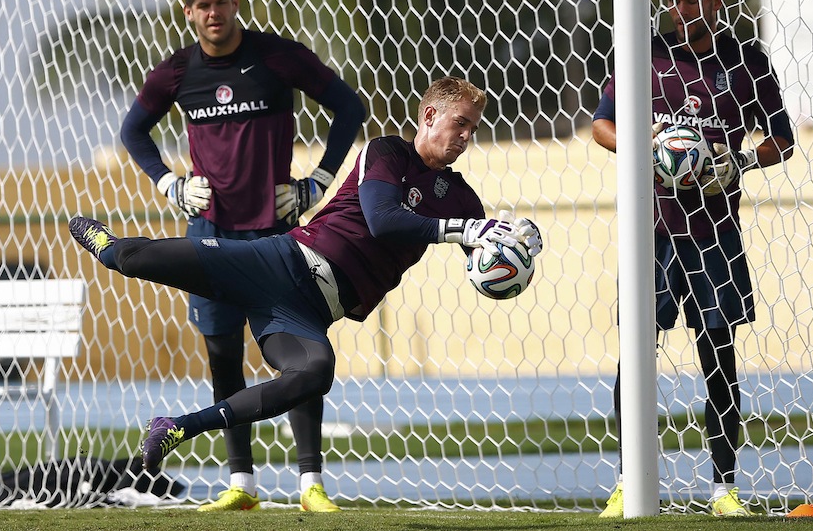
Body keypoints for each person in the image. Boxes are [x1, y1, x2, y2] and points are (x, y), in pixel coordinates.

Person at [71, 76, 542, 509]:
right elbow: (384, 219)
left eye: (472, 129)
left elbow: (483, 263)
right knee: (137, 261)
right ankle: (107, 246)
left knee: (315, 371)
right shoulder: (386, 153)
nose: (465, 136)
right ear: (429, 116)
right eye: (460, 123)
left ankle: (175, 427)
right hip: (280, 263)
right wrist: (471, 228)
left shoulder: (462, 198)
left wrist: (519, 248)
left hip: (308, 312)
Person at [118, 0, 366, 512]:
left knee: (302, 360)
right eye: (203, 5)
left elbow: (351, 107)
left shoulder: (278, 56)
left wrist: (318, 183)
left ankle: (311, 486)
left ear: (236, 3)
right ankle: (241, 485)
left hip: (277, 234)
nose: (213, 13)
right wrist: (169, 185)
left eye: (222, 2)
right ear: (188, 12)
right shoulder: (176, 72)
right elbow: (132, 131)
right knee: (223, 356)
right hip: (211, 235)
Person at [591, 0, 793, 518]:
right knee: (635, 357)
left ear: (716, 1)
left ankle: (724, 489)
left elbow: (784, 138)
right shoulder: (643, 54)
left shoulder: (746, 61)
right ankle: (630, 482)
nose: (681, 10)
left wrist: (740, 161)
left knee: (719, 356)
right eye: (674, 0)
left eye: (692, 0)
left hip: (715, 230)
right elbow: (600, 126)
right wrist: (642, 142)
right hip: (650, 230)